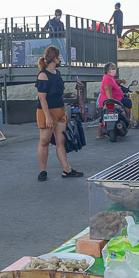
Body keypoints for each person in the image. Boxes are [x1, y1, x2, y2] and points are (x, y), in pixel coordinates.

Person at [35, 46, 82, 181]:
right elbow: (42, 98)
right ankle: (42, 171)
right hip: (46, 111)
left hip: (60, 109)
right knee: (44, 141)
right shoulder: (43, 75)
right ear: (54, 58)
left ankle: (66, 169)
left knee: (61, 140)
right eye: (59, 56)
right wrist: (48, 117)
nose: (60, 58)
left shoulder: (57, 72)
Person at [97, 62, 121, 138]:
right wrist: (111, 100)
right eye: (112, 69)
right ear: (107, 70)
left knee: (103, 117)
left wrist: (119, 81)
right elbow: (107, 89)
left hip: (106, 101)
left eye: (115, 69)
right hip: (108, 101)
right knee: (128, 103)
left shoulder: (109, 78)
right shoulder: (108, 78)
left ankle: (100, 134)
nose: (114, 70)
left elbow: (113, 82)